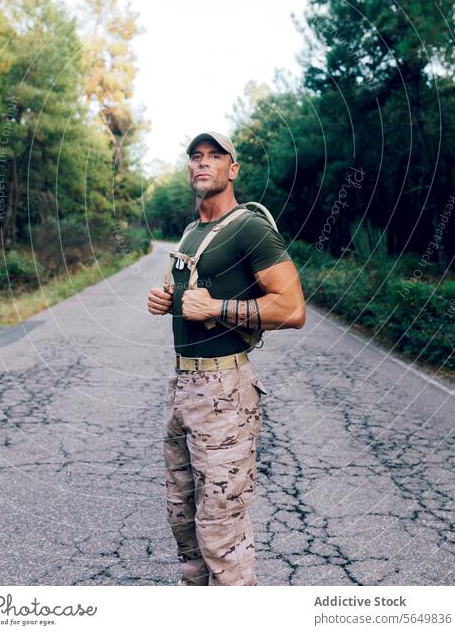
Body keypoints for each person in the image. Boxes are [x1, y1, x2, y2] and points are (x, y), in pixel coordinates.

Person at [147, 131, 306, 586]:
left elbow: (292, 308)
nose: (203, 163)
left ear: (232, 169)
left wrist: (216, 308)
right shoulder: (192, 232)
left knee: (221, 532)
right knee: (183, 521)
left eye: (215, 156)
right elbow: (189, 297)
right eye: (196, 156)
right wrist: (166, 301)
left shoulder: (248, 227)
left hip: (225, 392)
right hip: (182, 388)